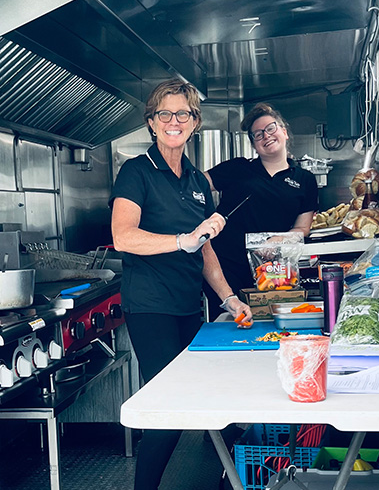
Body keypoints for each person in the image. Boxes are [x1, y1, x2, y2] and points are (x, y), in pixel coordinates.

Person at [109, 78, 252, 490]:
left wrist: (229, 298)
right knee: (168, 411)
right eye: (164, 114)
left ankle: (229, 476)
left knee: (203, 395)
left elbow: (206, 252)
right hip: (151, 306)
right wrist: (181, 240)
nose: (174, 121)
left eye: (183, 114)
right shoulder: (137, 172)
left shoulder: (196, 181)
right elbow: (123, 236)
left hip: (190, 306)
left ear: (195, 122)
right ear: (152, 123)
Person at [203, 102, 319, 320]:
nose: (266, 136)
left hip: (271, 272)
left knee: (269, 324)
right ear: (254, 146)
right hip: (226, 267)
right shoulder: (238, 168)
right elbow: (194, 185)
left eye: (271, 128)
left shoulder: (305, 180)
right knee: (230, 325)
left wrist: (279, 239)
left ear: (284, 132)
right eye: (258, 135)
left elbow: (302, 228)